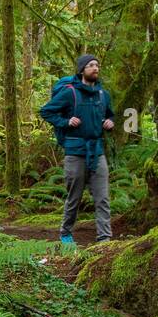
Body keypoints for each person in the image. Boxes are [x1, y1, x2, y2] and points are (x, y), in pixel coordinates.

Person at [38, 54, 114, 246]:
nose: (95, 68)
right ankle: (65, 234)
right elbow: (46, 111)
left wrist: (109, 122)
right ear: (82, 70)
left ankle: (104, 239)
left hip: (97, 151)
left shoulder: (103, 95)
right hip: (74, 152)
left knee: (102, 197)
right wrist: (65, 122)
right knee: (74, 197)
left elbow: (110, 116)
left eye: (97, 65)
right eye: (90, 65)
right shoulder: (70, 93)